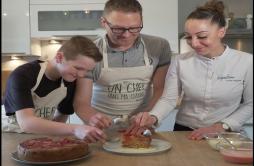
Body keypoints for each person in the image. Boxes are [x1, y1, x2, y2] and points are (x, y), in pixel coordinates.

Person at [130, 0, 253, 140]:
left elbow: (251, 104)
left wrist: (222, 126)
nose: (194, 43)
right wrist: (153, 117)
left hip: (225, 132)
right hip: (185, 131)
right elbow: (169, 99)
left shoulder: (247, 62)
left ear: (221, 31)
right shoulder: (180, 61)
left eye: (202, 36)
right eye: (188, 36)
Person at [73, 0, 171, 131]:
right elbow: (81, 103)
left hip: (142, 128)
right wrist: (93, 118)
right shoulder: (89, 52)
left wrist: (147, 117)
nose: (127, 35)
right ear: (103, 22)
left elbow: (160, 89)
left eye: (134, 28)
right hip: (100, 130)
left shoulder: (159, 46)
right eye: (118, 29)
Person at [2, 36, 106, 143]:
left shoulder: (68, 80)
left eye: (87, 71)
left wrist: (55, 141)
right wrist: (76, 129)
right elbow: (26, 123)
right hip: (9, 136)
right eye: (78, 68)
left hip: (40, 137)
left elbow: (62, 115)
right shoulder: (23, 75)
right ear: (59, 57)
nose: (81, 75)